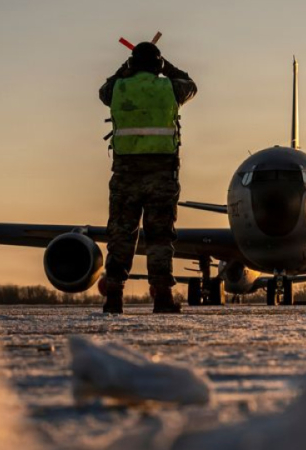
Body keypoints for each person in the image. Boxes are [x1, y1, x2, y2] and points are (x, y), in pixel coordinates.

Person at [98, 42, 197, 314]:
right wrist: (168, 67)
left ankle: (114, 295)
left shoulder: (118, 88)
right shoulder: (170, 89)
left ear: (132, 64)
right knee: (160, 235)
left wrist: (124, 70)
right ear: (157, 65)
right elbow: (190, 84)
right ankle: (162, 296)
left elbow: (103, 91)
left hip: (125, 175)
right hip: (161, 174)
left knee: (121, 233)